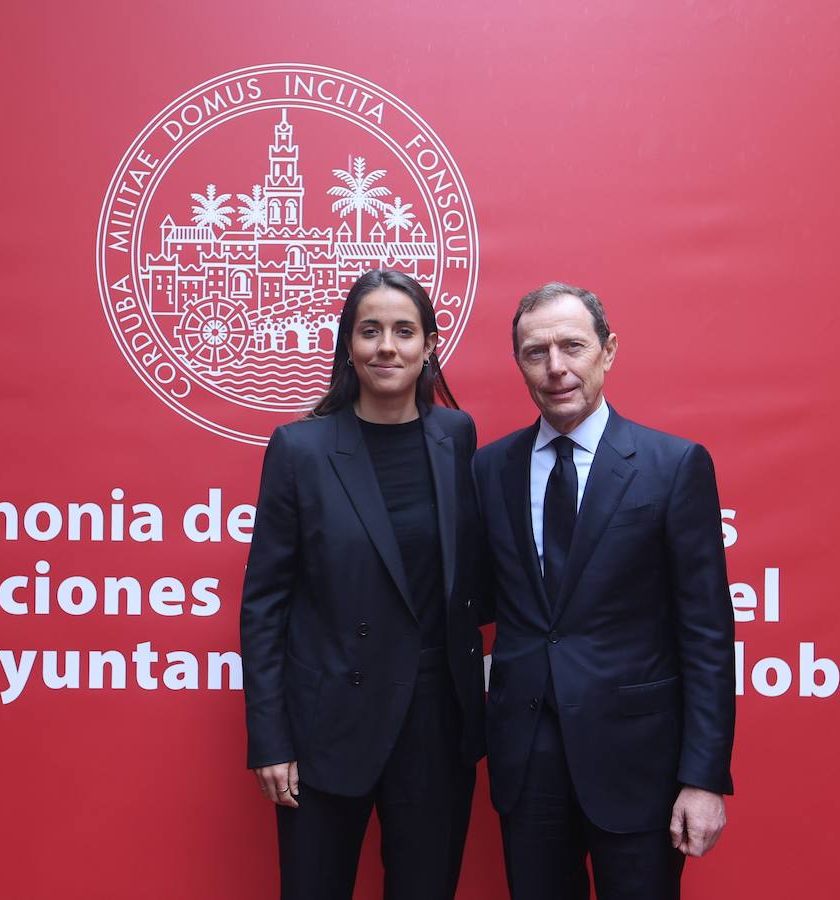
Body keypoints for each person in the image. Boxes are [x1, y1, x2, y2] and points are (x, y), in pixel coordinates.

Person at [472, 282, 735, 900]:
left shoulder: (673, 466)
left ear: (608, 351)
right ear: (519, 363)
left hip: (639, 767)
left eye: (572, 346)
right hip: (526, 760)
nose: (556, 368)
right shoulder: (489, 468)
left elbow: (707, 636)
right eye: (536, 352)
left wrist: (703, 779)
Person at [240, 270, 487, 900]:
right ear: (347, 344)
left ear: (429, 344)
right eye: (369, 330)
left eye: (404, 331)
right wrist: (271, 739)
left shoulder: (455, 436)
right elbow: (265, 604)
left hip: (434, 721)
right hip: (328, 725)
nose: (387, 346)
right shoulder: (300, 448)